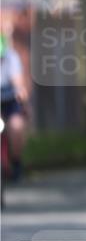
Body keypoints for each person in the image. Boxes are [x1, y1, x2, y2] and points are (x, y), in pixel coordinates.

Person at [0, 34, 30, 182]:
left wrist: (20, 92)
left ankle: (16, 161)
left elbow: (18, 83)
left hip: (10, 102)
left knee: (16, 126)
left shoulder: (11, 58)